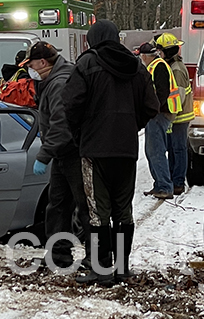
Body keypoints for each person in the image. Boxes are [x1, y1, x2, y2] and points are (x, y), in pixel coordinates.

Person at [62, 20, 159, 285]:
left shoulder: (85, 64)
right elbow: (151, 106)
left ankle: (102, 269)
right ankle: (123, 268)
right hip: (125, 149)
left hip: (95, 150)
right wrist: (130, 125)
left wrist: (82, 134)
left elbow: (71, 105)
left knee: (98, 212)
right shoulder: (137, 66)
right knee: (123, 211)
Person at [24, 41, 83, 270]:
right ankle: (59, 254)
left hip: (71, 153)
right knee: (58, 205)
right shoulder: (54, 79)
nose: (31, 69)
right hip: (63, 153)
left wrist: (44, 154)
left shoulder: (58, 83)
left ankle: (96, 258)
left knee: (82, 206)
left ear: (42, 62)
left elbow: (61, 124)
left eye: (31, 64)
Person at [138, 40, 182, 199]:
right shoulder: (157, 65)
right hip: (160, 112)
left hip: (160, 113)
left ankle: (164, 186)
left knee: (155, 150)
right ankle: (159, 185)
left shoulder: (159, 66)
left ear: (144, 56)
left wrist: (152, 110)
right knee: (152, 151)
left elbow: (161, 93)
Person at [155, 33, 193, 195]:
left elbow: (180, 97)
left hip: (179, 117)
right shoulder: (173, 65)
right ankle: (173, 179)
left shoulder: (176, 70)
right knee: (173, 148)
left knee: (178, 149)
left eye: (160, 51)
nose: (158, 54)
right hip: (177, 116)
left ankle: (178, 182)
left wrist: (169, 117)